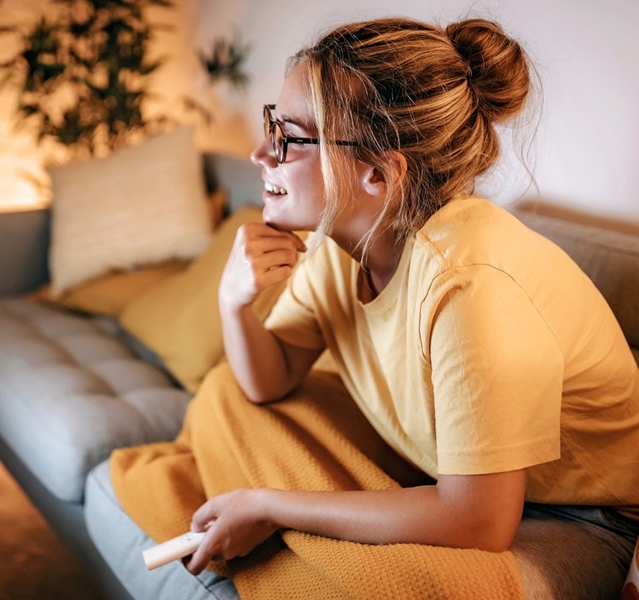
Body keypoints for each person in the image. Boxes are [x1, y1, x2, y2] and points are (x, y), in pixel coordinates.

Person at [87, 16, 639, 599]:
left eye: (289, 136)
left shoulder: (472, 287)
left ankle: (280, 541)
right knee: (224, 393)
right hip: (437, 470)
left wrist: (273, 506)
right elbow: (266, 382)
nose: (258, 153)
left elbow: (482, 522)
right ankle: (293, 544)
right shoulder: (342, 243)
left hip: (574, 516)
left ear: (380, 172)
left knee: (395, 587)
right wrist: (234, 302)